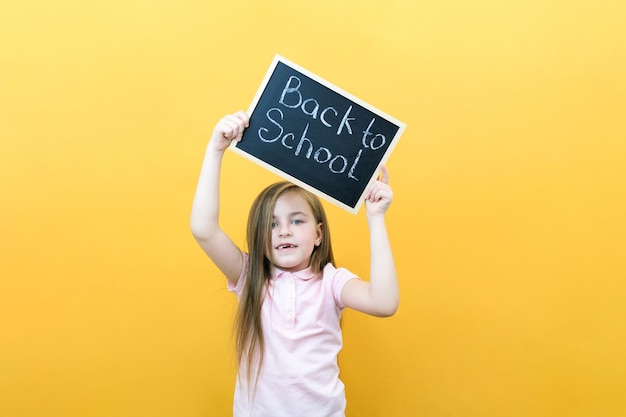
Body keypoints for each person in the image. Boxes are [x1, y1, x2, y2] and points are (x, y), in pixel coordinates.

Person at [190, 111, 399, 417]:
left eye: (296, 220)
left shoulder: (332, 282)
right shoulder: (251, 277)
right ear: (260, 236)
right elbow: (203, 229)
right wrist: (215, 149)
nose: (284, 230)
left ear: (318, 234)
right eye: (272, 224)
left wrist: (376, 219)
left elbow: (384, 302)